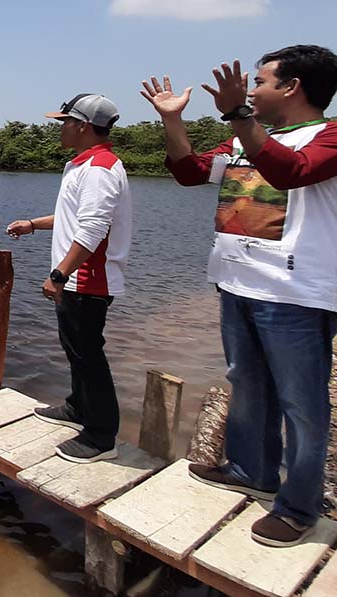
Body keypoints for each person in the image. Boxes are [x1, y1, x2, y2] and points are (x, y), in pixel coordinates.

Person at [141, 44, 337, 547]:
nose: (251, 90)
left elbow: (292, 172)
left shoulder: (330, 135)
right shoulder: (243, 139)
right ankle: (251, 471)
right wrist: (172, 122)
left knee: (302, 405)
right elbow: (187, 172)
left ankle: (298, 509)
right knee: (247, 385)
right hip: (236, 283)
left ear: (291, 87)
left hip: (295, 294)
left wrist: (238, 115)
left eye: (261, 82)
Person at [6, 93, 132, 464]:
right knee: (75, 349)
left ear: (83, 126)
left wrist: (60, 274)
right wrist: (33, 225)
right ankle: (78, 408)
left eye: (65, 122)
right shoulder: (86, 164)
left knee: (88, 354)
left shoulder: (98, 169)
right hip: (80, 278)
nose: (60, 128)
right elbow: (74, 218)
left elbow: (93, 228)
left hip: (88, 279)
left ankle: (100, 437)